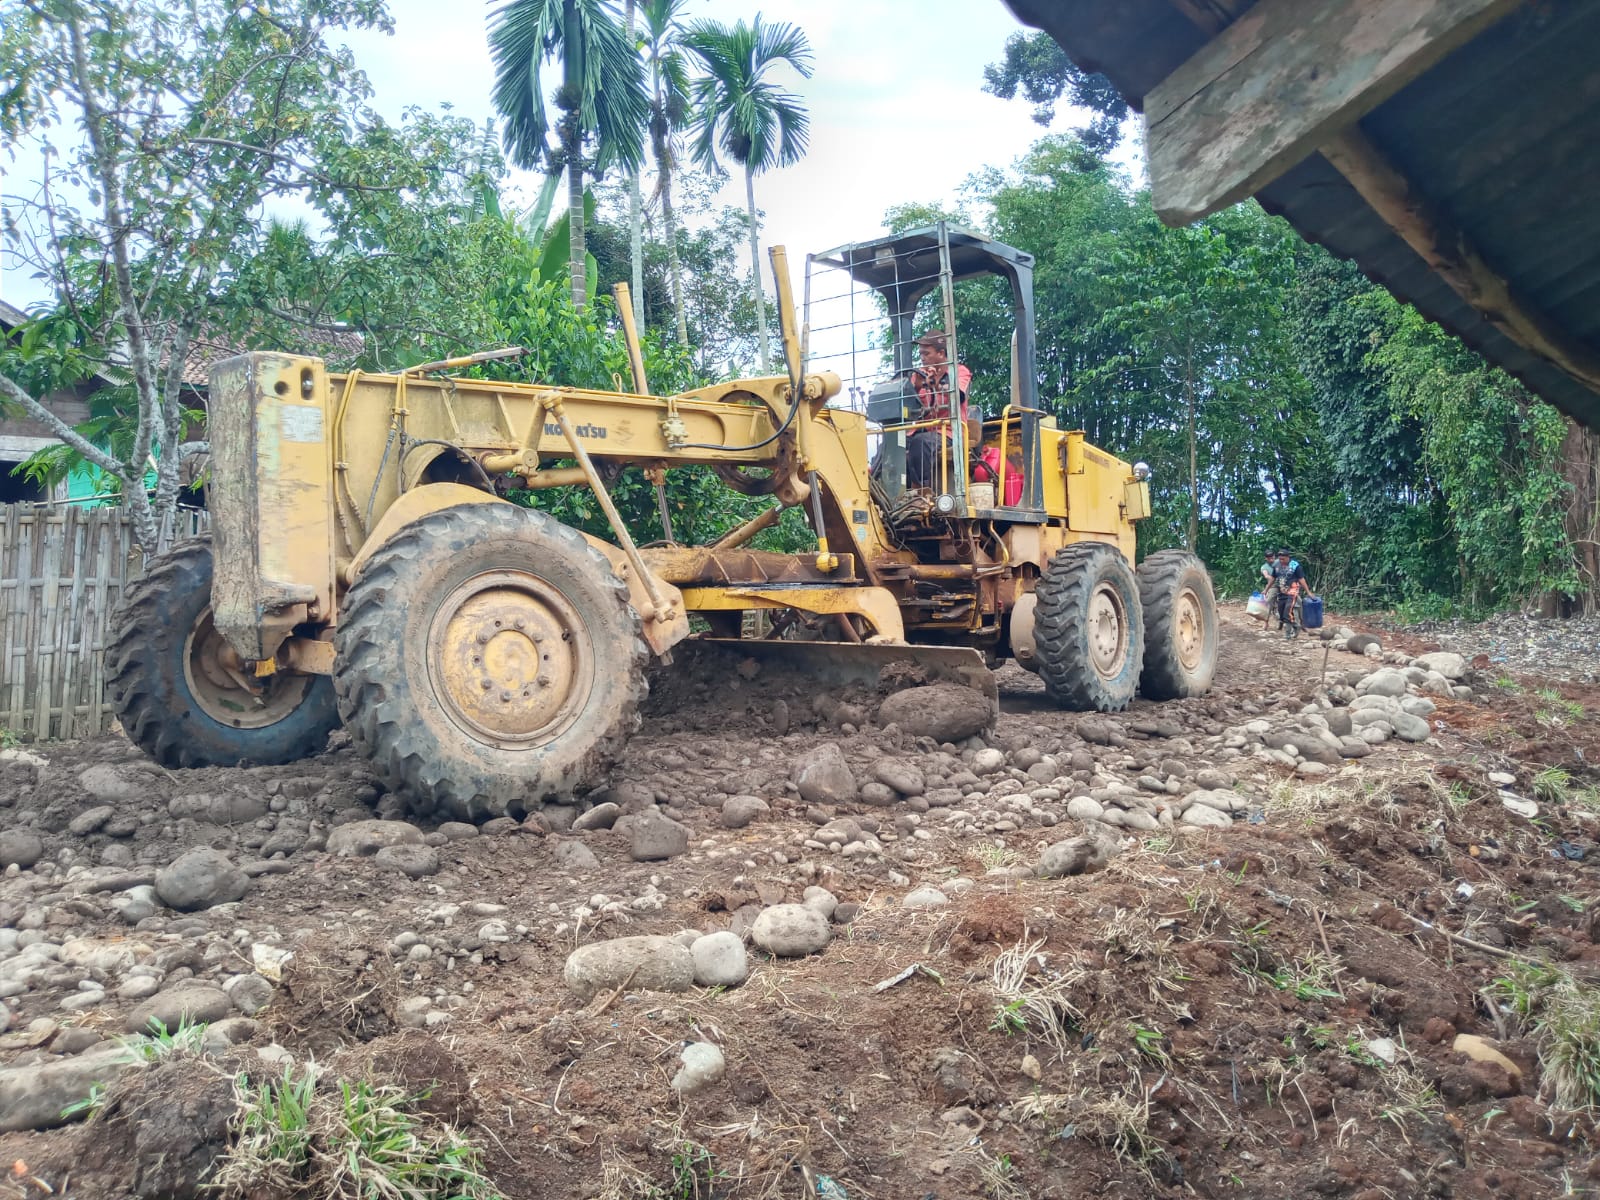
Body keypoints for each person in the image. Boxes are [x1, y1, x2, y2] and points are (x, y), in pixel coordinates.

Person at [906, 330, 973, 490]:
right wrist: (915, 387)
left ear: (941, 353)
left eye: (926, 353)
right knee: (892, 444)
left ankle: (923, 494)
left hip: (949, 432)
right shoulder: (917, 375)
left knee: (921, 444)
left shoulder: (959, 371)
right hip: (920, 431)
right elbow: (906, 405)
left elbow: (958, 397)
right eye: (920, 353)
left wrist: (934, 385)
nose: (922, 357)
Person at [1262, 548, 1307, 639]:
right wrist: (1266, 589)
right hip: (1279, 588)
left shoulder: (1294, 565)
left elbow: (1301, 579)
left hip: (1292, 591)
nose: (1281, 560)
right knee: (1278, 609)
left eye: (1282, 559)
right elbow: (1272, 578)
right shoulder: (1273, 566)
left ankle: (1289, 633)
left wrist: (1308, 591)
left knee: (1291, 609)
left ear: (1287, 557)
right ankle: (1295, 625)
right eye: (1280, 559)